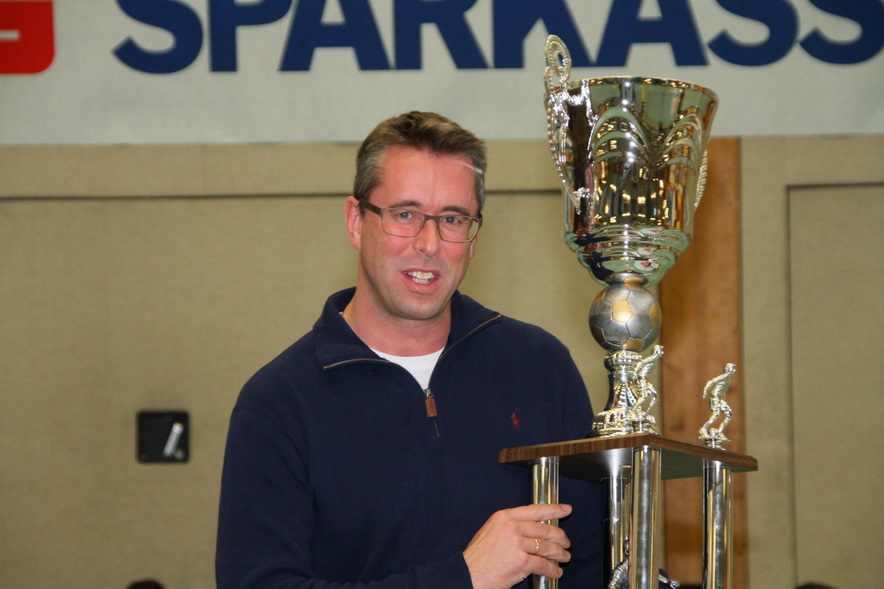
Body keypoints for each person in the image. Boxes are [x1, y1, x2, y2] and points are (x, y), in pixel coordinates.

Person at [216, 111, 604, 588]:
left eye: (452, 219)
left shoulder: (539, 366)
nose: (429, 244)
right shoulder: (279, 403)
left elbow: (595, 562)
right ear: (356, 222)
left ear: (473, 236)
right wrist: (464, 579)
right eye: (405, 215)